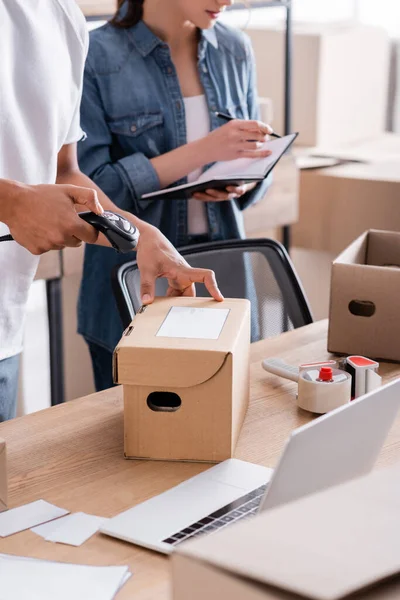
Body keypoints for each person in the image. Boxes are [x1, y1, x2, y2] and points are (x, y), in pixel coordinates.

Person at [0, 0, 222, 422]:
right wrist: (11, 201)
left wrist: (142, 236)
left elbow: (66, 171)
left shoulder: (63, 17)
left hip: (5, 331)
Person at [78, 0, 273, 390]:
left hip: (224, 268)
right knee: (134, 436)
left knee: (229, 427)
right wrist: (204, 151)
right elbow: (92, 192)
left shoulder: (234, 49)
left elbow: (254, 164)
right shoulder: (93, 54)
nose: (227, 1)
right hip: (133, 278)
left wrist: (244, 181)